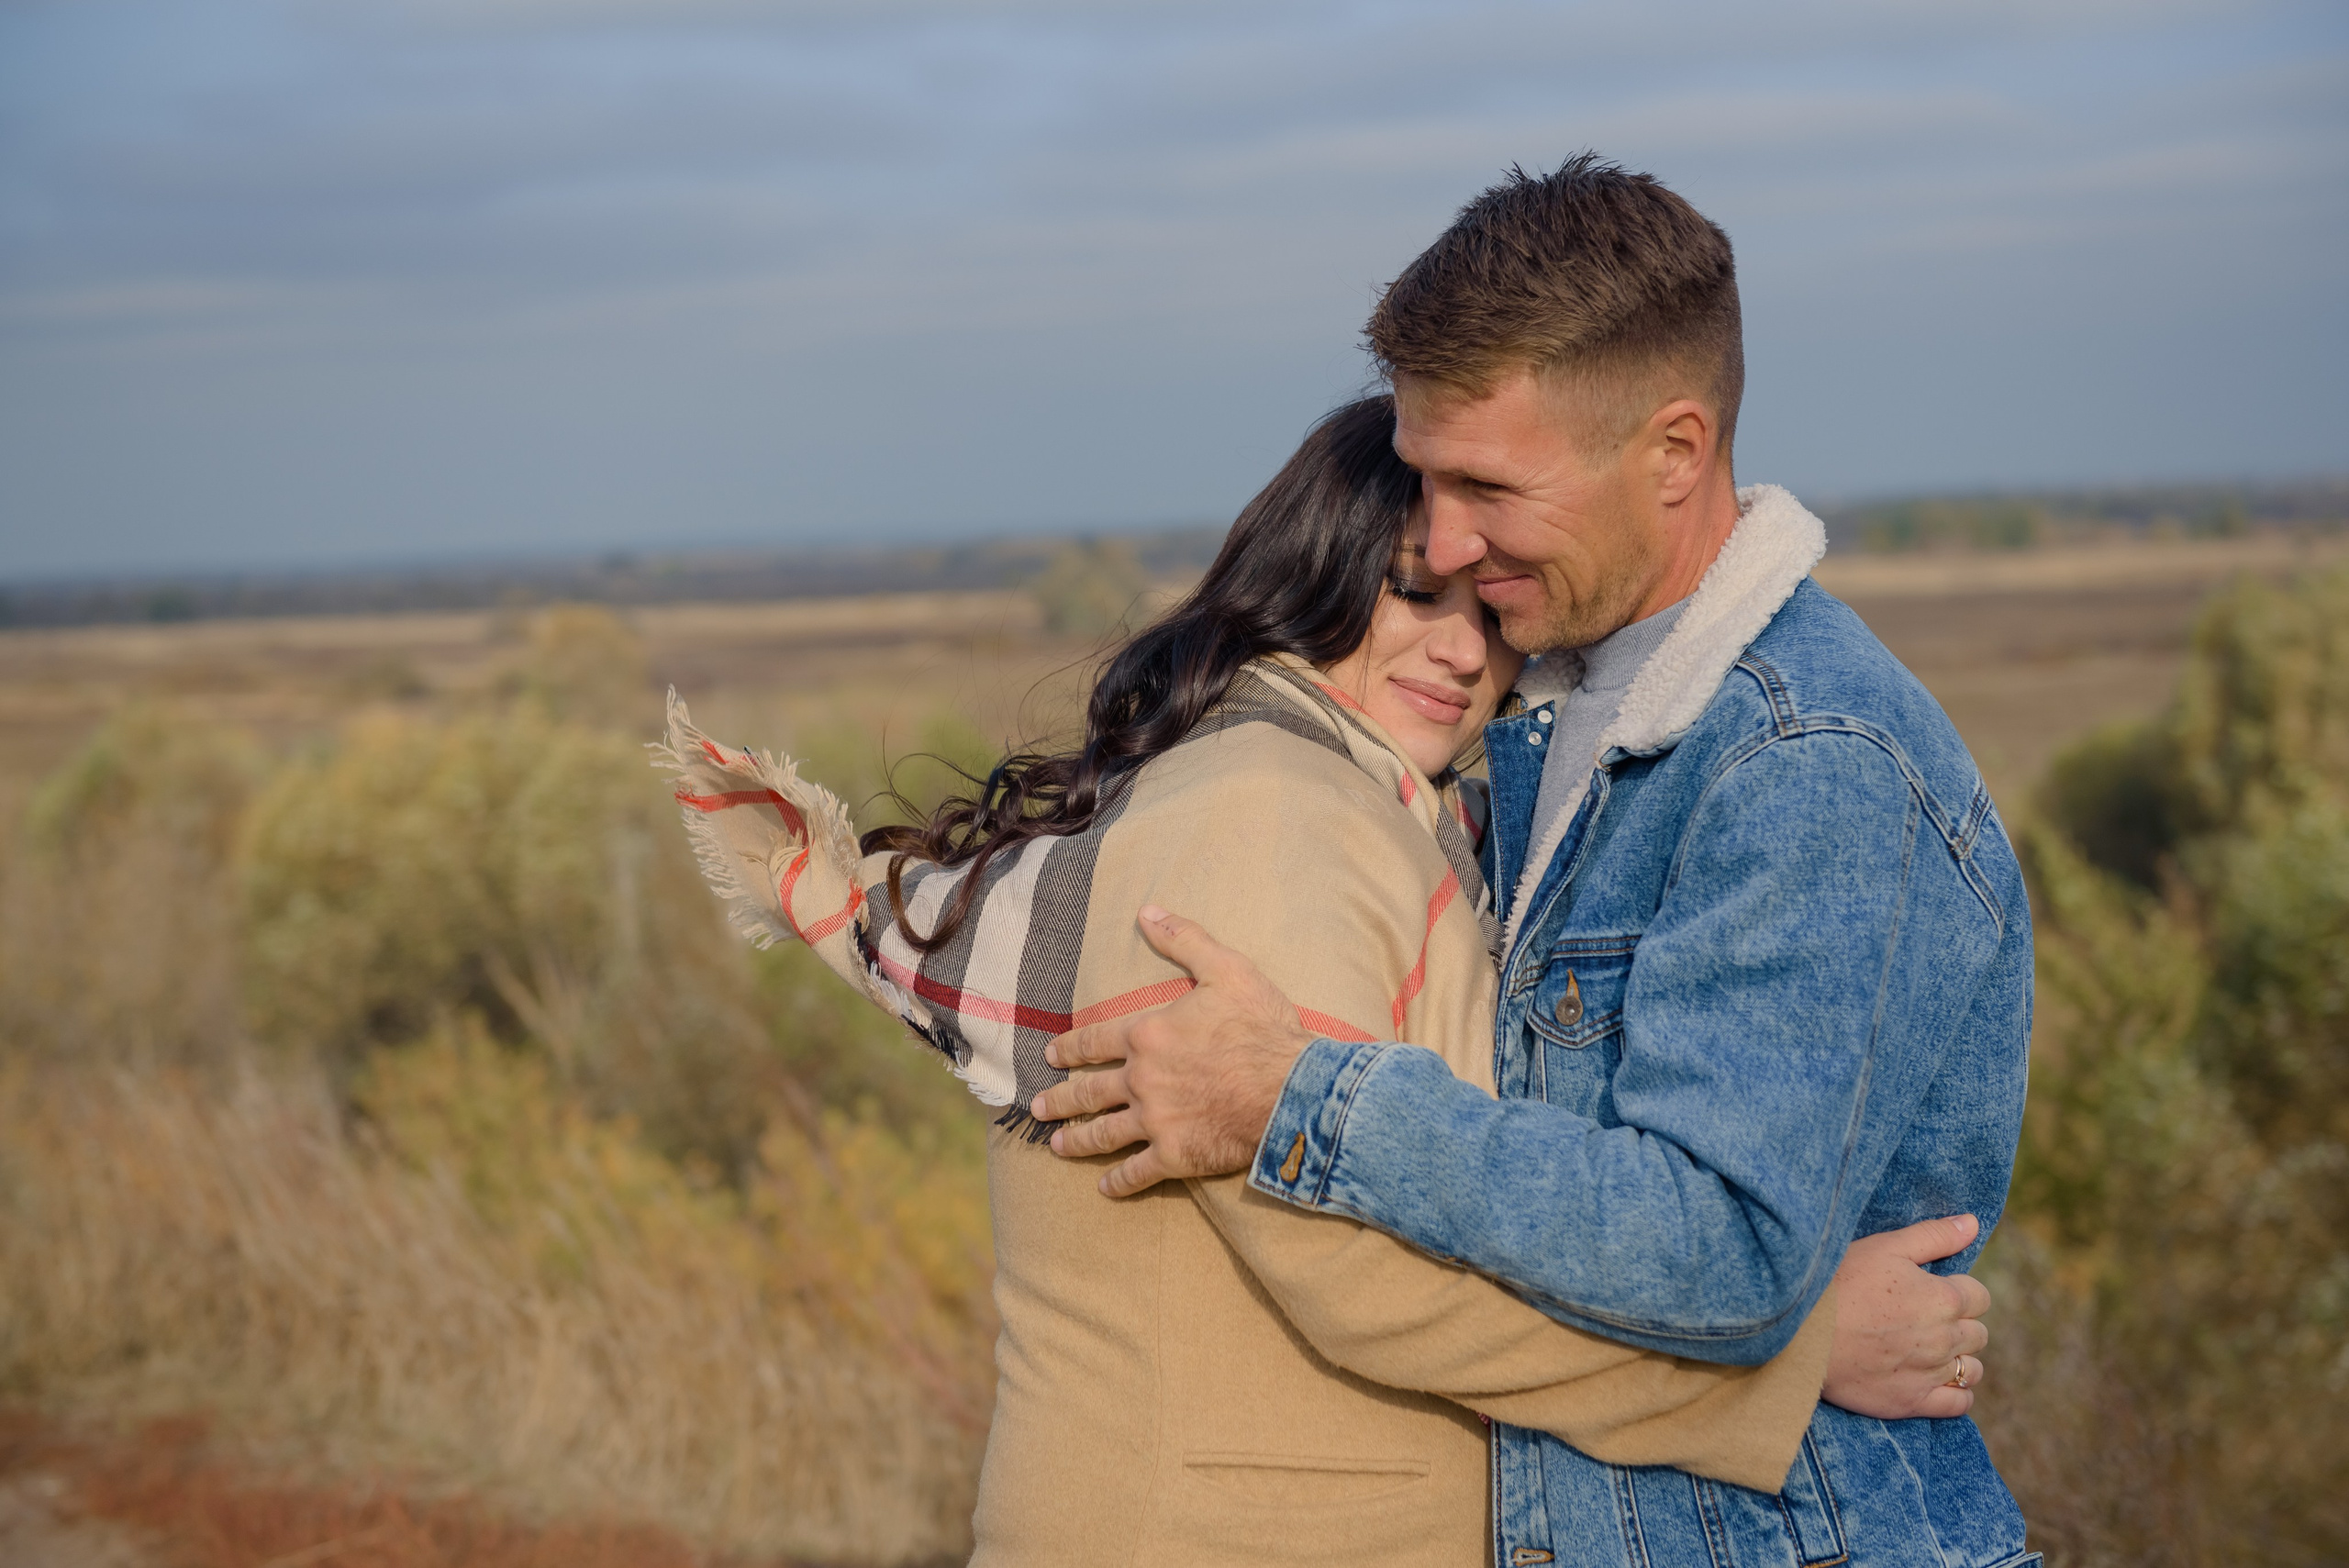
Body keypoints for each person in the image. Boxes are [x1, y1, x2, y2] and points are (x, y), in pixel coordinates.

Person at [661, 395, 1991, 1567]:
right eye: (1417, 591)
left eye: (1495, 612)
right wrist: (1794, 1368)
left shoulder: (1357, 804)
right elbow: (1362, 1268)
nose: (1467, 652)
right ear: (1310, 579)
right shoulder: (1265, 811)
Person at [1035, 159, 2037, 1568]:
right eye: (1425, 482)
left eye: (1483, 486)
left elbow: (1721, 1251)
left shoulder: (1798, 761)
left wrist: (1301, 1097)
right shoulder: (1559, 718)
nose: (1443, 536)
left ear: (1675, 453)